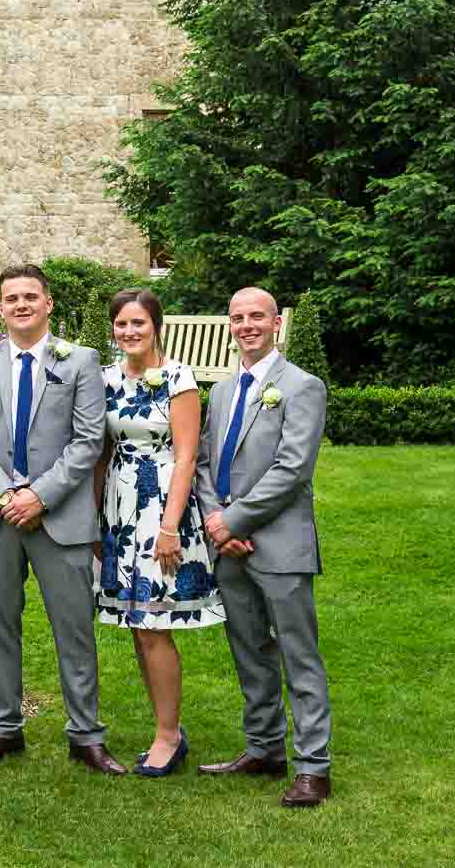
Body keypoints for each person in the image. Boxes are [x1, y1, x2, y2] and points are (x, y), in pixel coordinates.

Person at [0, 264, 124, 774]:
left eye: (31, 296)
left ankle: (86, 735)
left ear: (49, 304)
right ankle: (3, 728)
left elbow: (88, 440)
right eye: (11, 297)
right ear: (0, 308)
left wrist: (40, 496)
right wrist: (8, 494)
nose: (21, 304)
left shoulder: (81, 361)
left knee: (74, 629)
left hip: (60, 516)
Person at [193, 287, 334, 808]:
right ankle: (264, 747)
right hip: (229, 545)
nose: (246, 325)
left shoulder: (302, 386)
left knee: (298, 654)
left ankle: (314, 767)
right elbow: (207, 462)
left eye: (257, 316)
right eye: (237, 317)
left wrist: (231, 520)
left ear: (277, 323)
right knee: (249, 650)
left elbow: (293, 469)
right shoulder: (226, 390)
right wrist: (217, 523)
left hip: (278, 544)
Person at [94, 287, 223, 777]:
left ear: (156, 326)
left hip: (162, 507)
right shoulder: (105, 380)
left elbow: (188, 455)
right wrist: (96, 522)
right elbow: (102, 453)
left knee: (154, 626)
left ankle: (169, 735)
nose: (129, 332)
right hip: (120, 509)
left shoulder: (178, 379)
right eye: (122, 324)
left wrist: (170, 526)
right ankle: (164, 728)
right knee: (137, 626)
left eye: (139, 324)